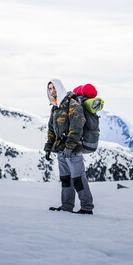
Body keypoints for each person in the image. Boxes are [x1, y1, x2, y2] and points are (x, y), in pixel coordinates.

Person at [44, 78, 94, 214]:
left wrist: (70, 146)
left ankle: (87, 207)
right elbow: (51, 129)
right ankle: (67, 206)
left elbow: (78, 125)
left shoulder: (71, 104)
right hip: (61, 149)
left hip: (72, 149)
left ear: (60, 87)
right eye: (49, 88)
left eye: (54, 88)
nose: (52, 91)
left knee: (78, 178)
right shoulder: (55, 107)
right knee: (66, 179)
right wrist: (48, 147)